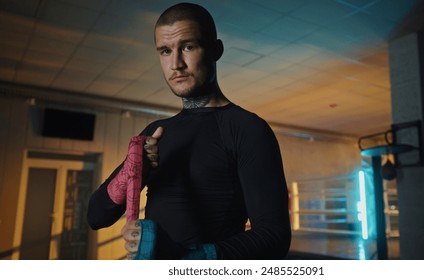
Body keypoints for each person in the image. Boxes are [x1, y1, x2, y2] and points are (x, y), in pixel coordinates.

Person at [87, 2, 291, 260]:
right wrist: (133, 171)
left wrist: (185, 258)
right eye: (165, 51)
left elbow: (274, 238)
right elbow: (96, 216)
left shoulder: (247, 128)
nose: (176, 64)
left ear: (215, 50)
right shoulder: (156, 132)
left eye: (188, 47)